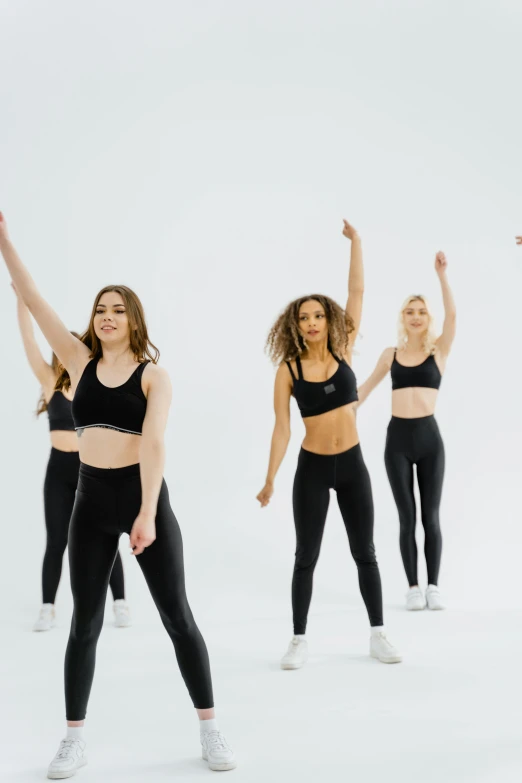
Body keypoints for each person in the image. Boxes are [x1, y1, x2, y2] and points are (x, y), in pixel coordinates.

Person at [0, 212, 235, 779]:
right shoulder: (77, 364)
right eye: (99, 310)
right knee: (85, 623)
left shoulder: (155, 376)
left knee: (177, 616)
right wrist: (6, 242)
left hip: (140, 498)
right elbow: (33, 301)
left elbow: (153, 446)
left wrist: (149, 512)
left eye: (117, 309)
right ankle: (73, 739)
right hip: (89, 499)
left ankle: (209, 728)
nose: (106, 317)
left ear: (133, 319)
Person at [256, 220, 401, 671]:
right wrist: (270, 478)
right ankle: (298, 640)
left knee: (366, 552)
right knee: (306, 556)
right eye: (304, 317)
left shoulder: (343, 347)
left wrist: (356, 243)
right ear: (294, 326)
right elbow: (282, 427)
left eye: (318, 315)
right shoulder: (288, 370)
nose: (313, 322)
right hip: (313, 469)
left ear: (328, 319)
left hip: (353, 464)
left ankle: (378, 634)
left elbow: (356, 290)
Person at [13, 287, 131, 631]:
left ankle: (120, 602)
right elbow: (30, 342)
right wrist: (22, 303)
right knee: (56, 540)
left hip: (90, 472)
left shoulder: (91, 382)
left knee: (107, 537)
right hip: (59, 471)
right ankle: (47, 607)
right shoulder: (50, 382)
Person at [356, 252, 456, 611]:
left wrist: (441, 276)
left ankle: (434, 585)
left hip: (430, 440)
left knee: (430, 515)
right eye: (410, 311)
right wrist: (338, 410)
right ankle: (413, 586)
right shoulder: (390, 354)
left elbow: (454, 316)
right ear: (403, 317)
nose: (416, 317)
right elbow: (363, 391)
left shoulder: (438, 351)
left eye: (422, 311)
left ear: (429, 317)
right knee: (406, 516)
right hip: (397, 440)